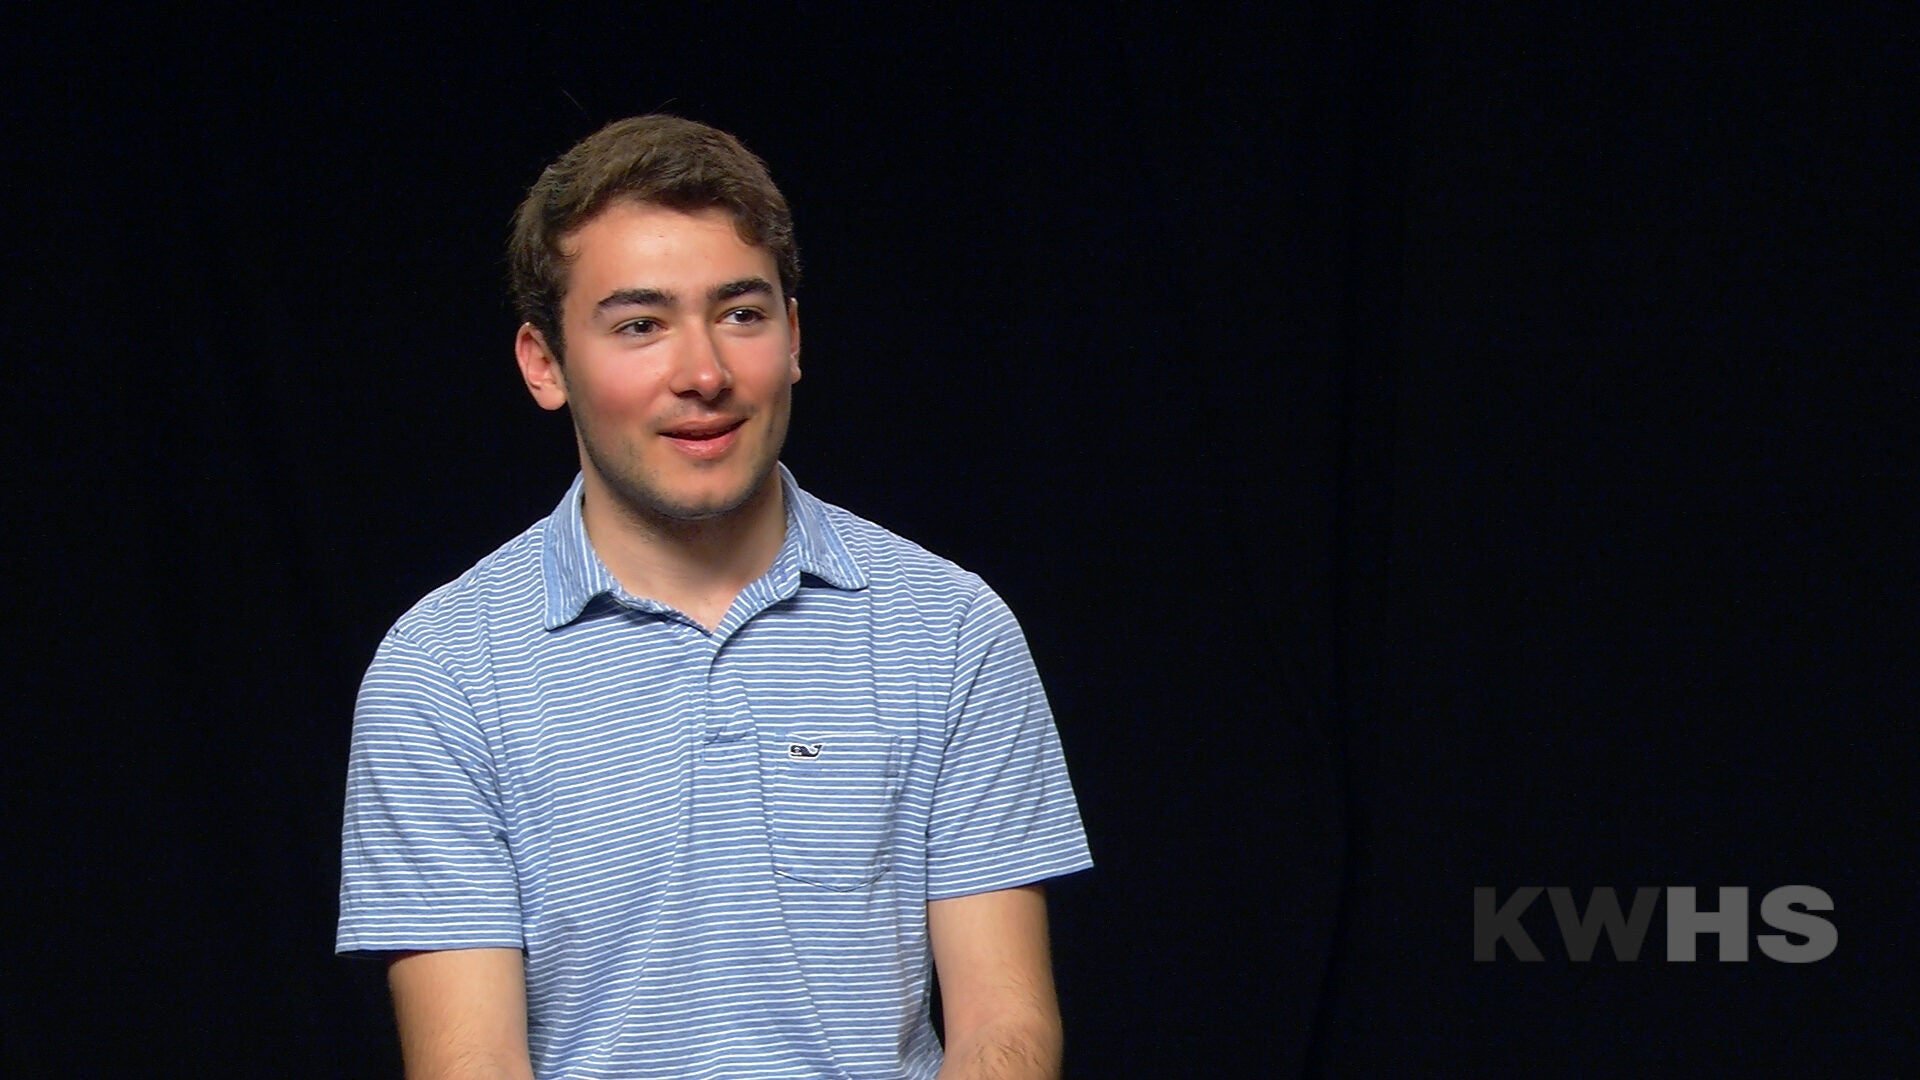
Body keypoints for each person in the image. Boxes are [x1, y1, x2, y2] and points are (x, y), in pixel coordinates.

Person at [336, 115, 1092, 1080]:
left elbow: (1006, 1031)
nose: (704, 373)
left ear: (794, 337)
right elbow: (469, 1062)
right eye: (639, 325)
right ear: (543, 364)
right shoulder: (441, 670)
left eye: (741, 313)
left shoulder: (948, 630)